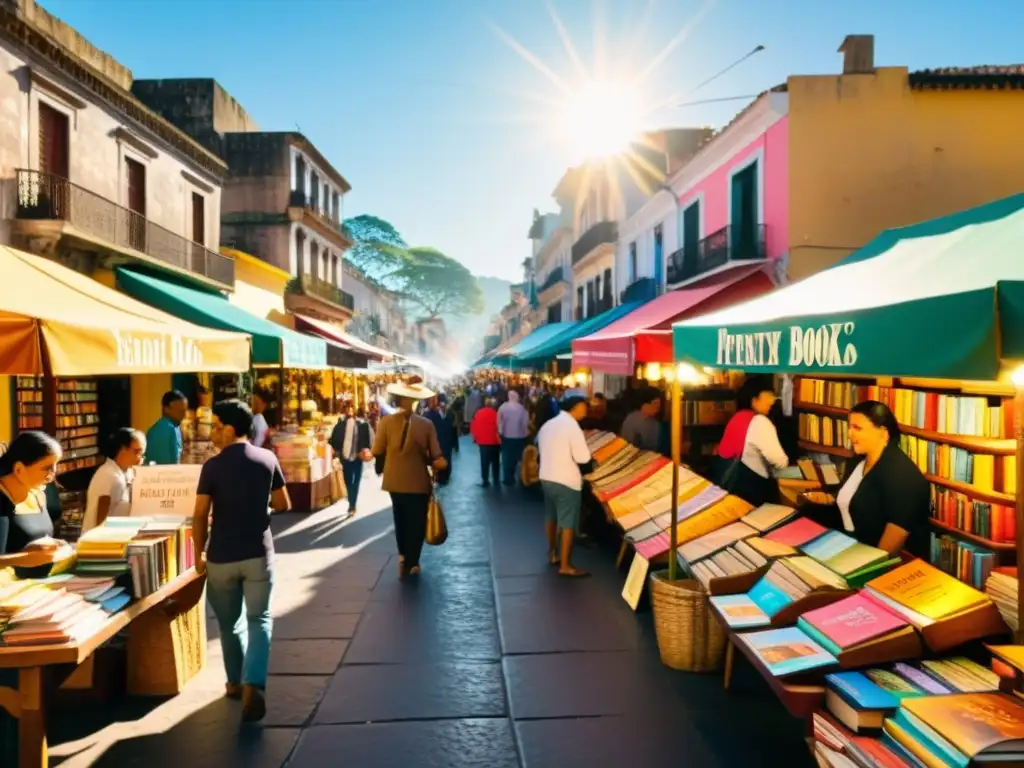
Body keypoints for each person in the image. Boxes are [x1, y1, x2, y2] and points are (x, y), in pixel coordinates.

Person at [193, 400, 292, 723]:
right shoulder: (267, 459)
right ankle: (254, 683)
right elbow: (283, 503)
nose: (213, 432)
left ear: (232, 428)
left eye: (217, 425)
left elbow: (199, 515)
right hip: (258, 554)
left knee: (228, 623)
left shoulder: (212, 467)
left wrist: (199, 553)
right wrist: (261, 509)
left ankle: (234, 682)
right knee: (259, 619)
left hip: (221, 556)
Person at [801, 400, 930, 557]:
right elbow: (854, 498)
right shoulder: (857, 461)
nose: (849, 434)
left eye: (857, 428)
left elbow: (887, 548)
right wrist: (829, 499)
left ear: (883, 433)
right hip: (845, 545)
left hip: (873, 562)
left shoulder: (903, 475)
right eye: (849, 426)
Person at [372, 378, 447, 579]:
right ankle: (413, 560)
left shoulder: (386, 422)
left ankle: (403, 555)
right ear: (415, 402)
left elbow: (377, 450)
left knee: (400, 518)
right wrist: (439, 463)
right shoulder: (426, 425)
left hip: (394, 481)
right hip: (418, 481)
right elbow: (436, 455)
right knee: (417, 521)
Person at [709, 376, 788, 507]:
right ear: (754, 400)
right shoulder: (760, 422)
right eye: (768, 395)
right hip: (751, 492)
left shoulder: (737, 417)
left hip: (729, 486)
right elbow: (780, 461)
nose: (772, 400)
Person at [537, 395, 592, 577]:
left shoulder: (548, 425)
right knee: (568, 522)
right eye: (584, 407)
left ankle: (552, 553)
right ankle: (566, 565)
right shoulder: (572, 426)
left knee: (551, 517)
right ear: (575, 407)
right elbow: (583, 457)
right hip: (566, 480)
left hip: (546, 476)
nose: (586, 411)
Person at [0, 432, 64, 566]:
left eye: (55, 465)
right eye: (46, 468)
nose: (52, 474)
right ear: (19, 469)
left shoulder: (39, 493)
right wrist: (26, 558)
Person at [84, 428, 145, 533]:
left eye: (142, 453)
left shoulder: (127, 472)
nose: (140, 458)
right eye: (136, 452)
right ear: (122, 449)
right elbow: (100, 518)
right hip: (100, 541)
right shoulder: (109, 476)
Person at [329, 404, 374, 515]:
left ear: (354, 410)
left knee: (356, 481)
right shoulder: (339, 425)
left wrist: (367, 450)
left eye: (351, 408)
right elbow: (334, 440)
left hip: (358, 457)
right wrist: (336, 452)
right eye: (347, 409)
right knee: (348, 481)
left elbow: (369, 439)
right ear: (344, 411)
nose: (349, 411)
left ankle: (352, 505)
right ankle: (351, 500)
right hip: (345, 457)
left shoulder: (361, 424)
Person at [146, 390, 187, 465]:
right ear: (167, 409)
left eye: (185, 411)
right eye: (180, 411)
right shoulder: (171, 429)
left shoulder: (152, 430)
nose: (184, 416)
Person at [497, 390, 529, 486]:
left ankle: (508, 478)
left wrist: (500, 431)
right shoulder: (521, 409)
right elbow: (525, 423)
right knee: (518, 457)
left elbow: (499, 421)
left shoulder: (503, 407)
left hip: (506, 436)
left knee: (507, 457)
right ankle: (519, 476)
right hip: (519, 436)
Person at [423, 395, 456, 485]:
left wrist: (454, 444)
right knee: (439, 461)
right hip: (437, 444)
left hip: (446, 443)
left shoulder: (448, 415)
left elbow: (452, 428)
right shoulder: (428, 414)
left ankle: (445, 476)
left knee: (447, 459)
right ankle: (440, 477)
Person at [470, 397, 501, 487]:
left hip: (483, 441)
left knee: (484, 461)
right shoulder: (495, 413)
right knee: (495, 461)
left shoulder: (478, 413)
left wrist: (475, 437)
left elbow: (473, 425)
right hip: (494, 441)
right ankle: (496, 478)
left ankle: (485, 479)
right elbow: (499, 426)